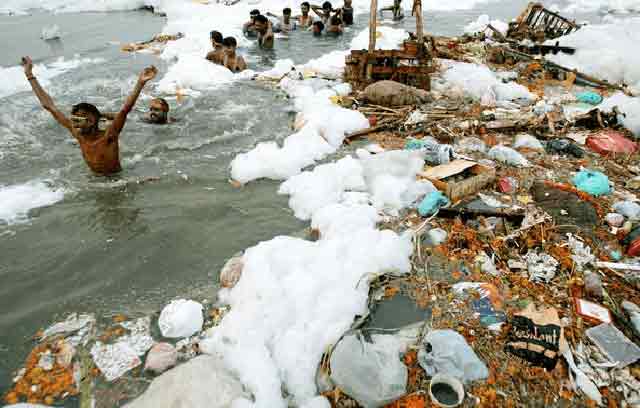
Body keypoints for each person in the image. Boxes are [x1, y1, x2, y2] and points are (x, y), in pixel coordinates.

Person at [21, 56, 157, 176]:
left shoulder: (109, 136)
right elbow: (50, 106)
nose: (75, 123)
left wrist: (140, 83)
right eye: (74, 119)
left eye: (80, 119)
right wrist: (29, 75)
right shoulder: (78, 134)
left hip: (116, 180)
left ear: (92, 120)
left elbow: (124, 110)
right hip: (94, 180)